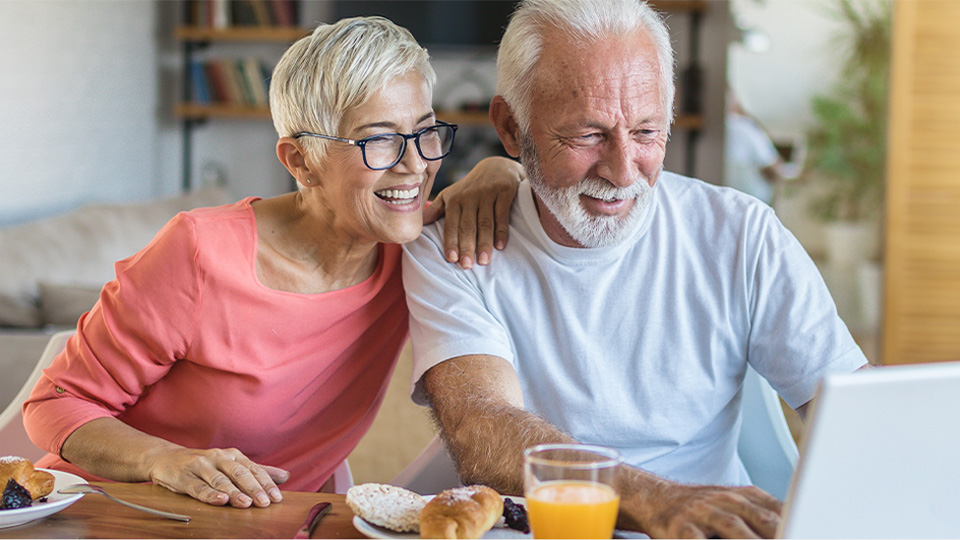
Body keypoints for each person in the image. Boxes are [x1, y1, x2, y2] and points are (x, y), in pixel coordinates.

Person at [401, 0, 868, 537]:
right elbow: (484, 428)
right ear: (511, 127)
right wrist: (657, 501)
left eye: (647, 132)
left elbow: (853, 412)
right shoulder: (457, 243)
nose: (624, 171)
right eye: (587, 136)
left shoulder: (741, 233)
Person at [23, 16, 521, 509]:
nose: (415, 164)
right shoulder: (199, 253)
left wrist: (502, 169)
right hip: (114, 513)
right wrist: (166, 459)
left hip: (269, 523)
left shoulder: (417, 247)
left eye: (426, 132)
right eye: (379, 140)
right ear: (299, 161)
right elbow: (53, 404)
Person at [724, 89, 796, 205]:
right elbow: (772, 170)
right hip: (752, 199)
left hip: (728, 195)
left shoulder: (725, 126)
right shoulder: (744, 127)